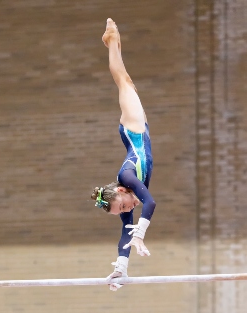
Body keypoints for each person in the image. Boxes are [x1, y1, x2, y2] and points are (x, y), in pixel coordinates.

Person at [91, 18, 156, 291]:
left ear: (120, 189)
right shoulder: (127, 192)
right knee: (125, 80)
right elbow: (125, 234)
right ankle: (112, 41)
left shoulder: (126, 175)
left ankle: (112, 39)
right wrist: (121, 267)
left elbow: (151, 203)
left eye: (123, 206)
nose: (127, 210)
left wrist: (140, 236)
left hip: (133, 129)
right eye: (123, 211)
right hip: (138, 129)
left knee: (122, 80)